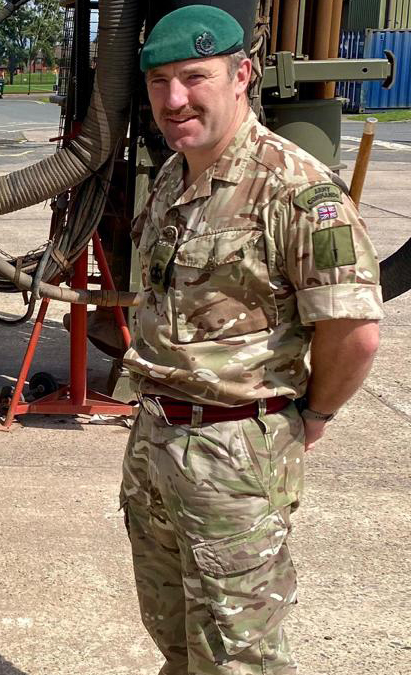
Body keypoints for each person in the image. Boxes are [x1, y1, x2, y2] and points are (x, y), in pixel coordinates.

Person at [121, 6, 383, 673]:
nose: (174, 99)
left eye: (193, 77)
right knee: (176, 638)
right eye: (159, 82)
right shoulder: (174, 180)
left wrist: (313, 415)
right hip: (157, 442)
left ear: (242, 75)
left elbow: (354, 332)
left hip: (234, 452)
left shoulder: (293, 188)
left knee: (241, 657)